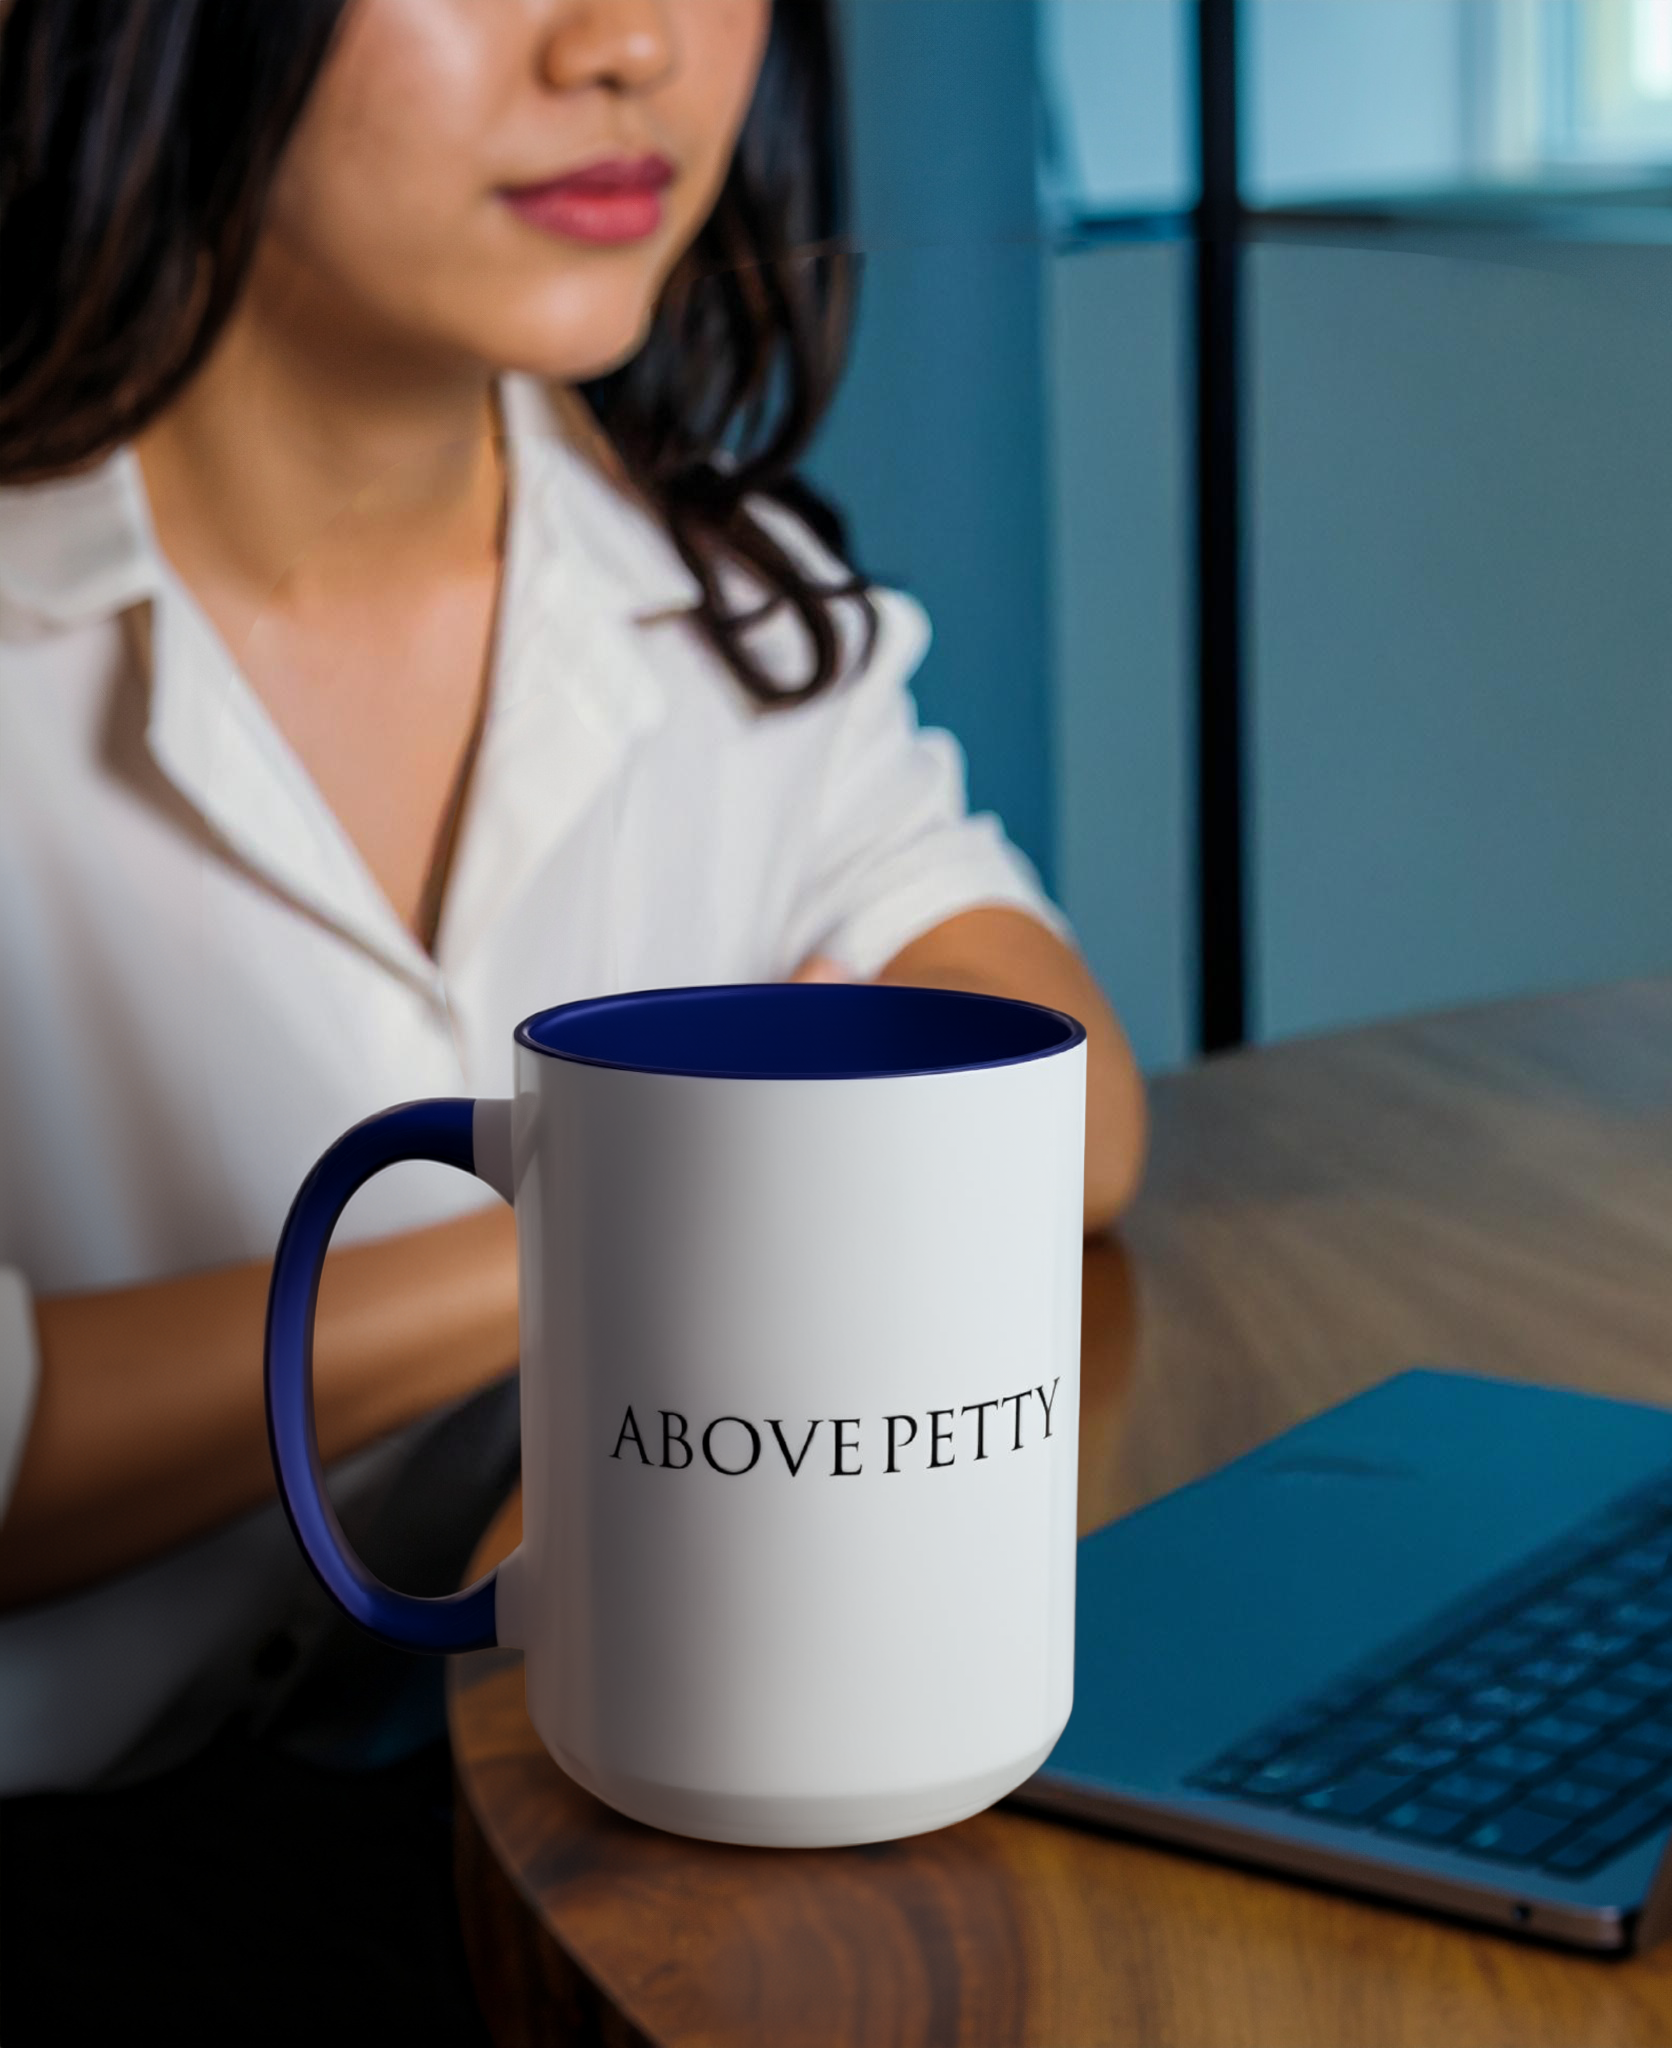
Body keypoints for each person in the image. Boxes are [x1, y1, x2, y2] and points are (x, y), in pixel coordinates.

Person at [0, 1, 1146, 2036]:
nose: (628, 45)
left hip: (581, 1821)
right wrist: (643, 1236)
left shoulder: (723, 601)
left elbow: (1065, 1106)